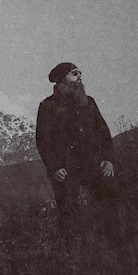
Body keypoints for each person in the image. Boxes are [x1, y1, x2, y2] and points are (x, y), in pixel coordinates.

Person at [36, 62, 118, 245]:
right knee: (68, 214)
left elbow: (103, 133)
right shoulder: (48, 106)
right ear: (61, 80)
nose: (79, 76)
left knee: (109, 206)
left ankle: (113, 248)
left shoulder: (89, 103)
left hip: (95, 164)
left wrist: (108, 159)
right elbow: (43, 141)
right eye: (74, 73)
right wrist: (55, 167)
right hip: (66, 170)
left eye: (80, 73)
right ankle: (75, 253)